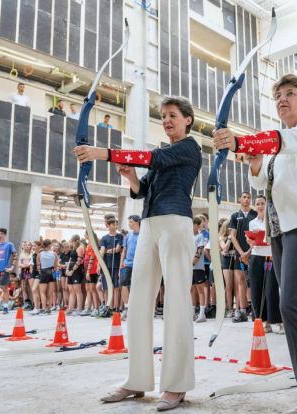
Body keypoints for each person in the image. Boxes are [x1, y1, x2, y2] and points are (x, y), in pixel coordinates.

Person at [214, 73, 297, 413]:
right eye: (278, 95)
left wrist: (240, 142)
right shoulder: (278, 145)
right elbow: (263, 176)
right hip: (282, 230)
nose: (282, 99)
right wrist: (253, 160)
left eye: (290, 94)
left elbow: (276, 142)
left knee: (293, 307)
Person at [78, 96, 201, 410]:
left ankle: (176, 386)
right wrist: (132, 178)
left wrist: (101, 153)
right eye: (163, 116)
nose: (167, 120)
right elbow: (142, 188)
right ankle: (137, 380)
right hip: (149, 223)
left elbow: (154, 160)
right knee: (138, 300)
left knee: (176, 299)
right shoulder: (163, 152)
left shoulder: (189, 148)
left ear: (188, 119)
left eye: (173, 115)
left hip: (175, 221)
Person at [247, 195, 281, 333]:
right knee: (256, 289)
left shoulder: (272, 220)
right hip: (256, 256)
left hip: (270, 256)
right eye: (258, 204)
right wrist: (251, 241)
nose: (260, 206)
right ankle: (261, 321)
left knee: (271, 289)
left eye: (262, 203)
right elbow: (250, 241)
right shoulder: (252, 222)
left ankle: (276, 321)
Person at [228, 191, 256, 322]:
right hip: (240, 254)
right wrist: (241, 253)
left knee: (255, 281)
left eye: (249, 197)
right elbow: (232, 236)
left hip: (254, 252)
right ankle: (243, 311)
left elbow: (258, 235)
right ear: (240, 199)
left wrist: (249, 251)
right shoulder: (234, 216)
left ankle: (256, 310)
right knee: (241, 281)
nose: (246, 199)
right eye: (244, 197)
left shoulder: (255, 215)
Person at [99, 218, 123, 315]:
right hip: (105, 265)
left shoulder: (119, 236)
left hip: (116, 265)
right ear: (108, 226)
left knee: (116, 287)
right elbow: (102, 251)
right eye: (113, 224)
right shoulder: (104, 238)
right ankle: (107, 307)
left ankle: (115, 307)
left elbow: (118, 249)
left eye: (116, 224)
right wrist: (99, 264)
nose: (115, 226)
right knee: (106, 287)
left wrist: (111, 250)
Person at [119, 215, 140, 320]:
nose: (129, 224)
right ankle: (127, 308)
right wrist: (120, 265)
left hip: (139, 265)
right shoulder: (127, 236)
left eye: (131, 222)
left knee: (136, 287)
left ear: (137, 222)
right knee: (124, 285)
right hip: (127, 264)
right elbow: (124, 251)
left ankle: (137, 309)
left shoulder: (143, 236)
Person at [192, 214, 210, 323]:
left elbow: (199, 251)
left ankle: (202, 313)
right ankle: (192, 312)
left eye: (193, 225)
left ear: (198, 225)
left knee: (200, 289)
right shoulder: (189, 236)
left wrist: (192, 263)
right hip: (190, 267)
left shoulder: (200, 236)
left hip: (197, 267)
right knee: (191, 289)